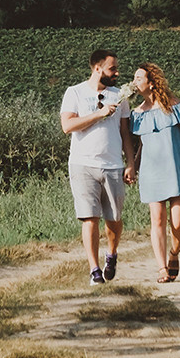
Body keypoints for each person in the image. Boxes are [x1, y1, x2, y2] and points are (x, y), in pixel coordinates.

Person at [59, 48, 138, 285]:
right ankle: (94, 271)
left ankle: (111, 254)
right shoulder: (74, 93)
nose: (116, 72)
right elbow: (67, 126)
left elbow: (125, 133)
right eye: (112, 68)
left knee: (114, 219)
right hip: (82, 164)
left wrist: (131, 163)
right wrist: (99, 114)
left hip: (113, 165)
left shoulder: (120, 96)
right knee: (89, 217)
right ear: (97, 68)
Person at [128, 62, 180, 282]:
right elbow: (141, 146)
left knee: (177, 223)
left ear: (151, 81)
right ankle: (161, 268)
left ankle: (174, 253)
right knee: (157, 220)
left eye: (139, 78)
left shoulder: (174, 106)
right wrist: (134, 167)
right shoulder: (136, 114)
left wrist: (177, 154)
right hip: (151, 171)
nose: (134, 82)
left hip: (176, 169)